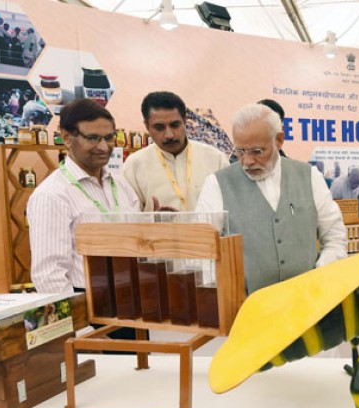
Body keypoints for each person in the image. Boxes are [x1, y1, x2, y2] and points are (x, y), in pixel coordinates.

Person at [196, 103, 346, 293]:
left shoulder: (309, 176)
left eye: (257, 151)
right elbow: (203, 253)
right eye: (240, 151)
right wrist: (226, 293)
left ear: (279, 140)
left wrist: (320, 277)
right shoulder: (217, 185)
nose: (247, 161)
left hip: (309, 301)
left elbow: (334, 238)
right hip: (246, 305)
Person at [27, 99, 139, 294]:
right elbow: (49, 275)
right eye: (93, 138)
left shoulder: (121, 186)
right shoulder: (52, 194)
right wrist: (79, 314)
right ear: (67, 137)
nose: (103, 147)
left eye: (109, 138)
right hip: (86, 299)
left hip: (130, 295)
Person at [122, 91, 229, 212]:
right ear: (147, 126)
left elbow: (232, 210)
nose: (169, 135)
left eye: (175, 125)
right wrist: (151, 219)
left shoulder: (216, 160)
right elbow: (127, 218)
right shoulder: (133, 166)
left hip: (208, 226)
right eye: (159, 128)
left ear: (185, 121)